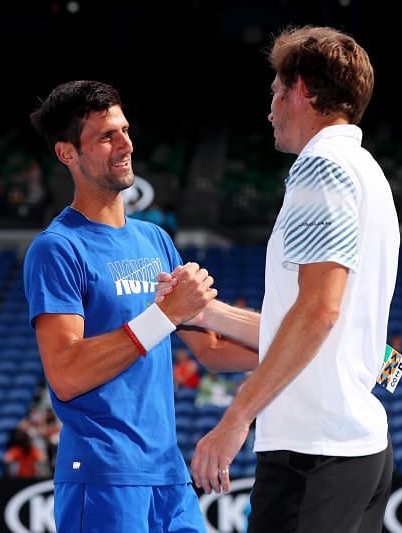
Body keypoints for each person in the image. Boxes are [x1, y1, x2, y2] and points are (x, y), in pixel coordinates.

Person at [162, 26, 399, 533]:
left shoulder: (322, 168)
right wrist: (205, 313)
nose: (269, 108)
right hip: (354, 451)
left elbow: (318, 312)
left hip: (313, 454)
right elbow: (318, 322)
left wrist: (235, 420)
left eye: (275, 92)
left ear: (303, 91)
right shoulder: (367, 171)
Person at [23, 80, 261, 532]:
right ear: (67, 153)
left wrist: (300, 353)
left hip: (169, 475)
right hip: (103, 475)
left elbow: (210, 351)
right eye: (106, 136)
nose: (125, 144)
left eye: (125, 130)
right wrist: (164, 317)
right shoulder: (57, 248)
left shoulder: (155, 240)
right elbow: (67, 375)